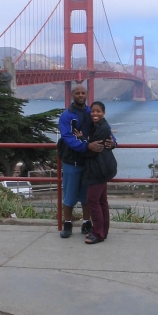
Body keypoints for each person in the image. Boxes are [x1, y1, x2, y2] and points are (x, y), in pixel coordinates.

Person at [58, 85, 116, 238]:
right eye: (77, 93)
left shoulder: (93, 112)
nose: (80, 95)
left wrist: (113, 142)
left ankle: (86, 224)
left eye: (83, 93)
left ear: (87, 94)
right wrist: (86, 145)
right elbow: (67, 138)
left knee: (86, 197)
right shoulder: (66, 115)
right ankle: (68, 224)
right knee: (69, 197)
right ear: (72, 95)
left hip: (90, 163)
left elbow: (106, 130)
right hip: (72, 161)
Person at [79, 101, 117, 244]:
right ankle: (103, 231)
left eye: (98, 111)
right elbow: (93, 146)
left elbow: (93, 150)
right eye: (93, 111)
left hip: (99, 169)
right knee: (101, 202)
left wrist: (82, 141)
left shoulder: (103, 127)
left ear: (104, 113)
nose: (95, 114)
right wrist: (87, 142)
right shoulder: (99, 126)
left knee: (93, 201)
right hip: (102, 167)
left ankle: (98, 234)